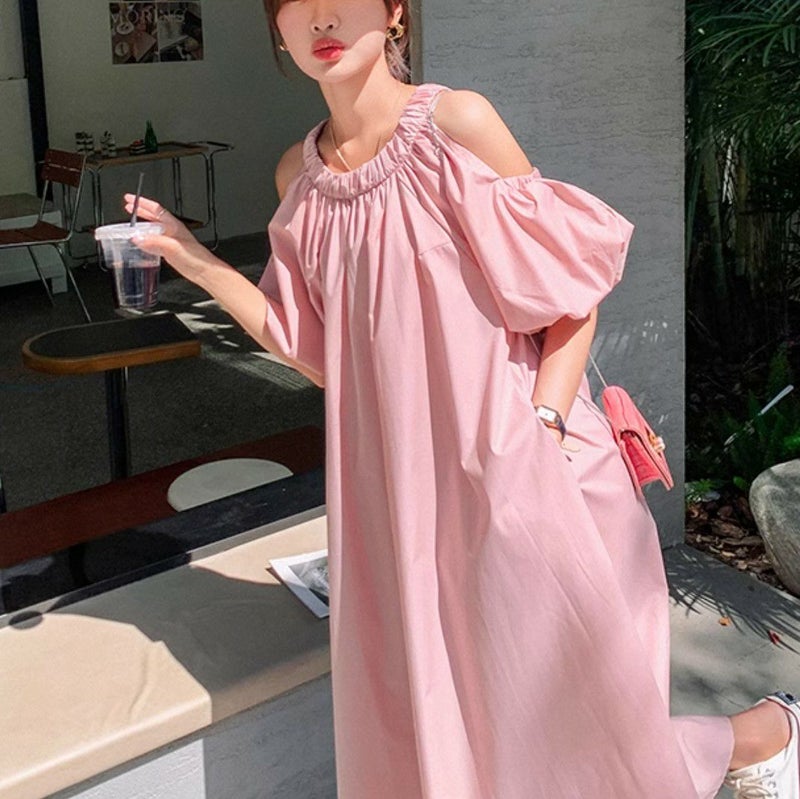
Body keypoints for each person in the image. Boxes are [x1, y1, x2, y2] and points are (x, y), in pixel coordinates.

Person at [125, 1, 799, 796]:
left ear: (395, 12)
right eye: (295, 2)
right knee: (455, 713)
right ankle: (759, 737)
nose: (322, 17)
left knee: (570, 724)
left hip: (520, 470)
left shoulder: (455, 124)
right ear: (277, 27)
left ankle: (764, 732)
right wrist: (195, 260)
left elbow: (570, 296)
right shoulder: (296, 178)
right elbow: (315, 351)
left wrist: (540, 431)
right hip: (398, 501)